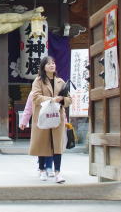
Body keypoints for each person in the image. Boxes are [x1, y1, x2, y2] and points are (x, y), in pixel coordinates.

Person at [29, 56, 72, 184]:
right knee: (43, 142)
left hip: (57, 117)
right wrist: (51, 99)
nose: (52, 65)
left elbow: (69, 99)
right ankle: (42, 169)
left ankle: (58, 172)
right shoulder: (38, 81)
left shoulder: (60, 81)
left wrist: (63, 100)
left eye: (53, 63)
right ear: (43, 67)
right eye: (48, 64)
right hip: (43, 116)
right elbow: (36, 97)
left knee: (57, 145)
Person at [19, 89, 54, 177]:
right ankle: (41, 166)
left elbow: (59, 108)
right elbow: (28, 108)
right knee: (41, 145)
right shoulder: (33, 93)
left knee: (50, 144)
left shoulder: (52, 91)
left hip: (51, 121)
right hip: (39, 122)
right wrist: (23, 121)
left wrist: (64, 121)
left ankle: (49, 167)